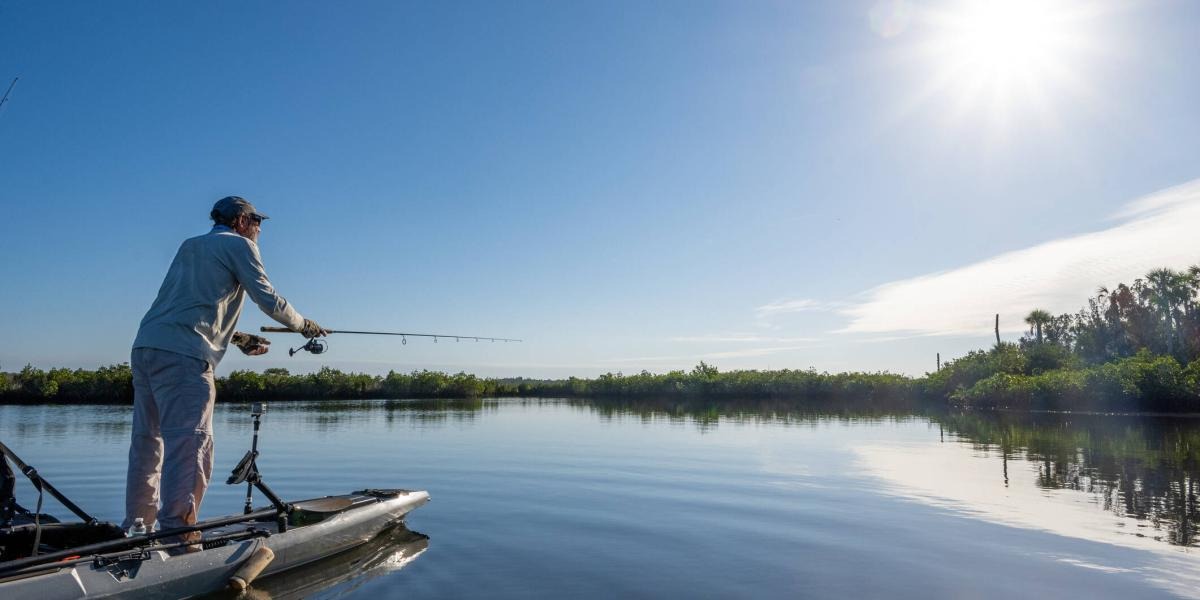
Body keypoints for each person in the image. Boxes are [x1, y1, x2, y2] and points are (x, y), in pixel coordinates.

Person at [123, 196, 327, 543]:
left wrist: (238, 338)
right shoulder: (240, 245)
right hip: (186, 357)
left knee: (148, 443)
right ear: (241, 221)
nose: (260, 230)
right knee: (191, 444)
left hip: (147, 347)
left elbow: (192, 304)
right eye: (257, 222)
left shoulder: (191, 245)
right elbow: (269, 299)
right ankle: (179, 537)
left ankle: (137, 529)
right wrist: (303, 324)